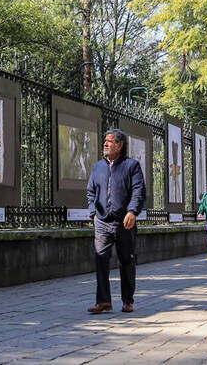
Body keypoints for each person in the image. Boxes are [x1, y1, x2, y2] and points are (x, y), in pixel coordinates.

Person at [86, 129, 145, 314]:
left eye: (110, 141)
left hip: (124, 222)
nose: (105, 144)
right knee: (100, 259)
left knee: (126, 261)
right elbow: (90, 192)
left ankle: (127, 300)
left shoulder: (131, 165)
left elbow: (139, 190)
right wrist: (93, 213)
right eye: (105, 141)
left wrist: (132, 212)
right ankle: (103, 301)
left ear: (119, 146)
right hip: (102, 222)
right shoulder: (98, 167)